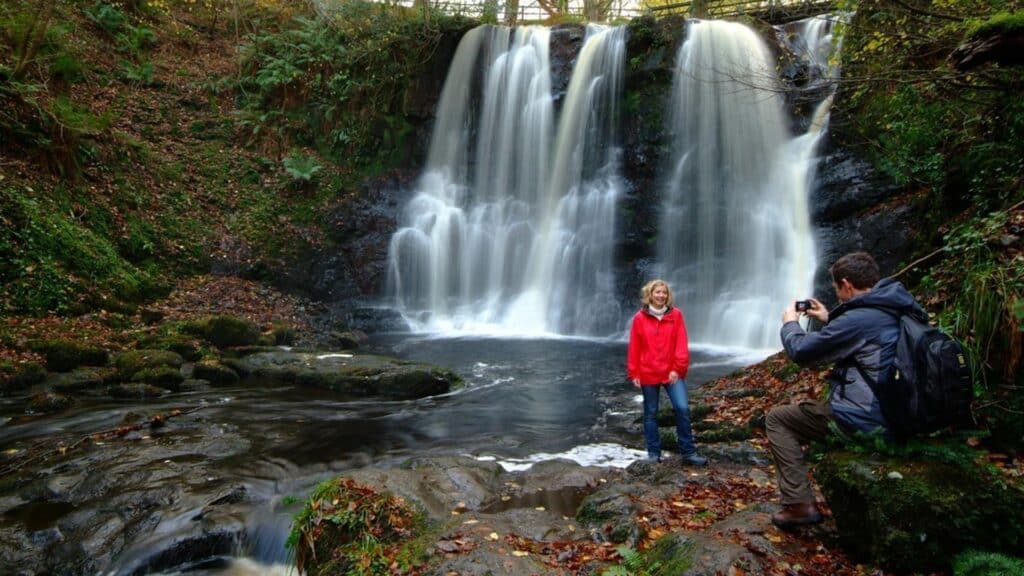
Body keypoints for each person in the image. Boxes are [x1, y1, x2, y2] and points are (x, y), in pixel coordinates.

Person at [767, 251, 926, 528]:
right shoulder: (899, 307)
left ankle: (799, 504)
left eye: (837, 289)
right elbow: (868, 340)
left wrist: (790, 323)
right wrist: (829, 319)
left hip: (869, 419)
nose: (838, 295)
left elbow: (802, 352)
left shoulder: (858, 319)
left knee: (778, 419)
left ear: (847, 284)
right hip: (905, 412)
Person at [627, 279, 707, 466]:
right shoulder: (639, 318)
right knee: (650, 413)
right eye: (657, 292)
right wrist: (634, 372)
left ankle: (688, 453)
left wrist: (677, 368)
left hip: (672, 372)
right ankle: (653, 454)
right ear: (650, 295)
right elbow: (635, 346)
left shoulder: (676, 315)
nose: (661, 295)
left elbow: (681, 343)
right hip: (648, 371)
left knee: (682, 408)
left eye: (664, 292)